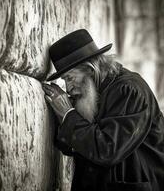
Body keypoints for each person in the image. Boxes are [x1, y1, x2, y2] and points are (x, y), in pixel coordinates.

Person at [42, 29, 164, 191]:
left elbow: (107, 150)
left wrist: (68, 115)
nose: (69, 88)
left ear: (91, 70)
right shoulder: (93, 93)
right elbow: (72, 145)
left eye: (70, 78)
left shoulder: (129, 90)